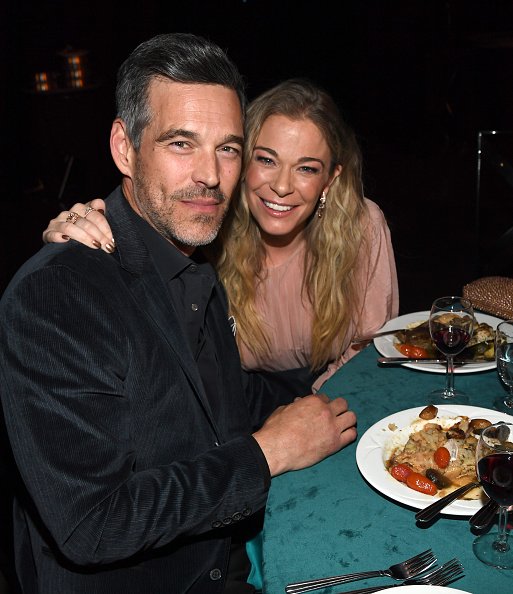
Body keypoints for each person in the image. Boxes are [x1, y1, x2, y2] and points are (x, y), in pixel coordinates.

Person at [0, 33, 357, 593]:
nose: (210, 176)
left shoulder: (190, 263)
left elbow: (220, 399)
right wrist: (268, 453)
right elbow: (93, 524)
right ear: (124, 147)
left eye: (228, 148)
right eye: (181, 144)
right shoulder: (57, 298)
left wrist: (329, 382)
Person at [43, 79, 399, 392]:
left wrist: (313, 411)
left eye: (306, 168)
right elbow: (145, 218)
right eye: (267, 160)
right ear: (241, 161)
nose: (282, 186)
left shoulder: (360, 226)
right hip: (241, 415)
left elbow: (371, 351)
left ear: (330, 179)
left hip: (343, 398)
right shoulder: (206, 230)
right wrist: (80, 227)